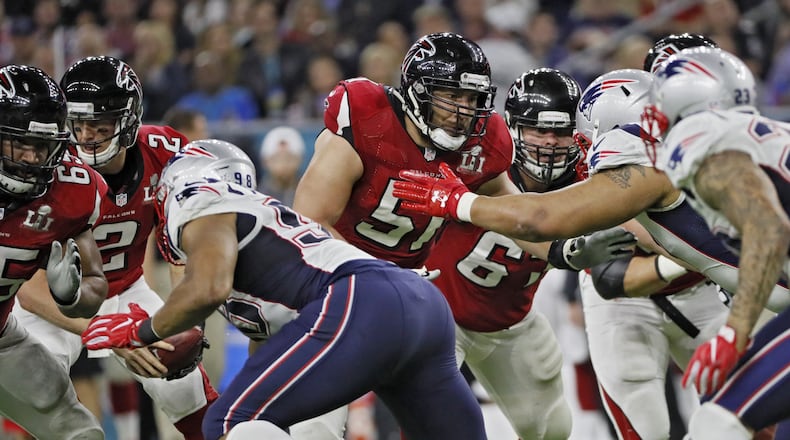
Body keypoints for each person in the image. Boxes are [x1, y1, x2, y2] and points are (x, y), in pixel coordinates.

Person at [81, 139, 490, 440]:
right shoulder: (263, 219)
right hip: (417, 305)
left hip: (357, 301)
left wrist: (144, 330)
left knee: (227, 426)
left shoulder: (202, 195)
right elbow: (276, 338)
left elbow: (207, 287)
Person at [293, 31, 635, 289]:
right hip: (331, 273)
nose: (463, 110)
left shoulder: (484, 143)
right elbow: (310, 223)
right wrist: (377, 275)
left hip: (411, 284)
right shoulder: (367, 120)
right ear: (418, 90)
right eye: (452, 95)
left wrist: (563, 251)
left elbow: (511, 212)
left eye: (472, 99)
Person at [13, 56, 218, 440]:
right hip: (50, 298)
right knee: (38, 389)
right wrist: (106, 331)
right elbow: (26, 287)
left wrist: (185, 310)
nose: (87, 136)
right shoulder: (47, 166)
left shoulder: (165, 150)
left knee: (185, 387)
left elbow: (184, 243)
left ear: (127, 122)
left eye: (99, 125)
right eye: (78, 124)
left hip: (126, 288)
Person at [424, 67, 627, 440]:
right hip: (441, 317)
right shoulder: (480, 155)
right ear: (513, 128)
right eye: (539, 130)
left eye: (561, 132)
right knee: (438, 426)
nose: (550, 142)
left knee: (553, 430)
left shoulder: (588, 170)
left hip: (511, 321)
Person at [641, 47, 790, 440]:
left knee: (719, 421)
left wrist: (733, 332)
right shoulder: (764, 136)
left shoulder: (704, 139)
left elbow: (769, 228)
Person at [0, 64, 108, 439]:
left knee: (80, 434)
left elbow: (95, 286)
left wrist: (73, 295)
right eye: (21, 143)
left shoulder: (71, 192)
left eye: (42, 146)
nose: (31, 158)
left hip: (2, 338)